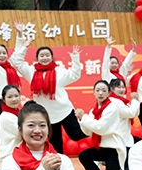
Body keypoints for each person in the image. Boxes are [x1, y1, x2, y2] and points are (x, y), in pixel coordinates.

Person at [9, 20, 87, 153]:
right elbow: (17, 62)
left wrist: (75, 58)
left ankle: (100, 135)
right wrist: (25, 45)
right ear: (37, 58)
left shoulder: (59, 72)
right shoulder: (31, 72)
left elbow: (74, 75)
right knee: (55, 145)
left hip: (64, 110)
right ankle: (58, 168)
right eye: (41, 55)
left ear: (52, 57)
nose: (44, 58)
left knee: (77, 134)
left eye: (47, 55)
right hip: (47, 115)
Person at [75, 80, 130, 170]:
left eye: (104, 90)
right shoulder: (93, 110)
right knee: (84, 155)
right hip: (101, 148)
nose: (100, 93)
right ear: (93, 92)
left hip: (113, 148)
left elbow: (100, 128)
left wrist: (84, 117)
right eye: (98, 90)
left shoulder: (112, 108)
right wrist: (81, 119)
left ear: (109, 92)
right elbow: (88, 132)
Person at [108, 78, 141, 144]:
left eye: (123, 87)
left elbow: (135, 113)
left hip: (126, 136)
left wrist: (136, 100)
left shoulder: (123, 101)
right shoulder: (114, 101)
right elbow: (131, 113)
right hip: (119, 138)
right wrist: (134, 100)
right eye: (118, 87)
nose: (121, 89)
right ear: (112, 89)